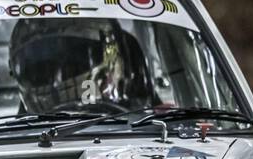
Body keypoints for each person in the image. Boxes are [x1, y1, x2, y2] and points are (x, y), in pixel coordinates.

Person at [8, 18, 152, 116]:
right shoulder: (5, 137)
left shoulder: (155, 124)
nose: (57, 79)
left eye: (74, 62)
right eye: (41, 68)